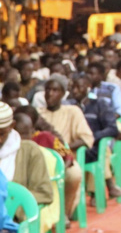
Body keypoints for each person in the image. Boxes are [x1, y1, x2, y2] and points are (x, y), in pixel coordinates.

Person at [0, 101, 53, 206]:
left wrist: (10, 204)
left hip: (18, 220)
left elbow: (45, 193)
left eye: (1, 134)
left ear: (12, 126)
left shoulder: (30, 151)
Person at [37, 76, 92, 216]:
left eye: (55, 90)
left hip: (65, 157)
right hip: (39, 157)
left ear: (63, 93)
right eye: (47, 90)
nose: (50, 93)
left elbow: (85, 138)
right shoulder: (37, 113)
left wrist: (63, 148)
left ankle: (64, 213)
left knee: (73, 175)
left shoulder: (72, 111)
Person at [67, 75, 121, 201]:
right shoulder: (68, 108)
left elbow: (112, 128)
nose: (75, 91)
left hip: (94, 145)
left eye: (79, 87)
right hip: (74, 146)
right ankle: (107, 187)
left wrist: (92, 137)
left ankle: (95, 192)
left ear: (88, 88)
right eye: (73, 88)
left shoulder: (99, 105)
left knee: (102, 151)